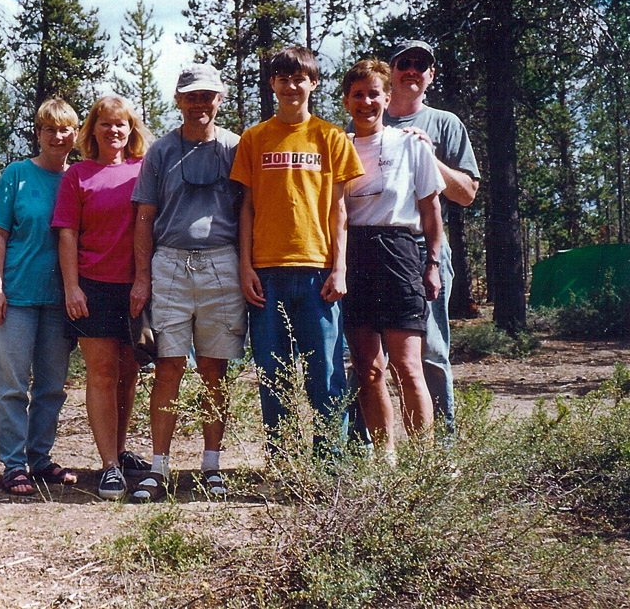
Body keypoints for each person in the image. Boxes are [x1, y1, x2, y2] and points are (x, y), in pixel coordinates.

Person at [230, 46, 364, 455]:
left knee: (324, 373)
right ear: (272, 84)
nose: (291, 86)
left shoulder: (332, 137)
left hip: (317, 271)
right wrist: (245, 266)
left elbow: (340, 209)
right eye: (283, 78)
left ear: (313, 83)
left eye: (299, 78)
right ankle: (286, 462)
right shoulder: (254, 138)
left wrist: (339, 268)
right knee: (273, 373)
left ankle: (329, 465)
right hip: (266, 273)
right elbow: (247, 208)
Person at [129, 64, 245, 502]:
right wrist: (143, 278)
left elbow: (248, 213)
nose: (200, 103)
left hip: (223, 264)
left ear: (219, 99)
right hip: (171, 265)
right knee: (168, 366)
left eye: (207, 95)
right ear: (178, 100)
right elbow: (144, 217)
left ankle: (211, 465)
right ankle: (158, 468)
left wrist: (245, 266)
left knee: (214, 369)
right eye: (191, 96)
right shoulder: (160, 151)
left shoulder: (236, 147)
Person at [341, 59, 445, 460]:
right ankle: (384, 456)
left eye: (373, 94)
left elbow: (430, 208)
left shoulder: (411, 144)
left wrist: (431, 262)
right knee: (369, 369)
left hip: (400, 252)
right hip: (355, 255)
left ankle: (424, 460)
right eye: (357, 95)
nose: (366, 102)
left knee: (408, 366)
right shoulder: (340, 147)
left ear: (387, 97)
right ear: (347, 102)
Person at [52, 95, 154, 500]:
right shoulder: (77, 175)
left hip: (137, 287)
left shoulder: (143, 170)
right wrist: (72, 287)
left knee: (129, 374)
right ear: (91, 130)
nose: (114, 130)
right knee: (102, 374)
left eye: (121, 124)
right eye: (105, 123)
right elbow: (67, 234)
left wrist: (144, 282)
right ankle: (108, 466)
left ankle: (121, 448)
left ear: (132, 129)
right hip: (92, 286)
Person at [0, 97, 80, 495]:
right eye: (49, 129)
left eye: (64, 129)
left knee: (52, 386)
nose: (57, 136)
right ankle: (14, 464)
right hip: (17, 297)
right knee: (12, 386)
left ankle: (40, 459)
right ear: (37, 133)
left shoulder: (78, 178)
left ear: (75, 134)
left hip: (60, 301)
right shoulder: (17, 175)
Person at [385, 40, 481, 438]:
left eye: (420, 65)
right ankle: (364, 448)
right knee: (366, 355)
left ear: (432, 75)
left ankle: (440, 450)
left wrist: (432, 159)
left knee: (432, 351)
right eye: (404, 63)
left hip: (427, 252)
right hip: (371, 252)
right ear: (389, 72)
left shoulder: (445, 124)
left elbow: (467, 193)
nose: (412, 70)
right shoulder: (366, 117)